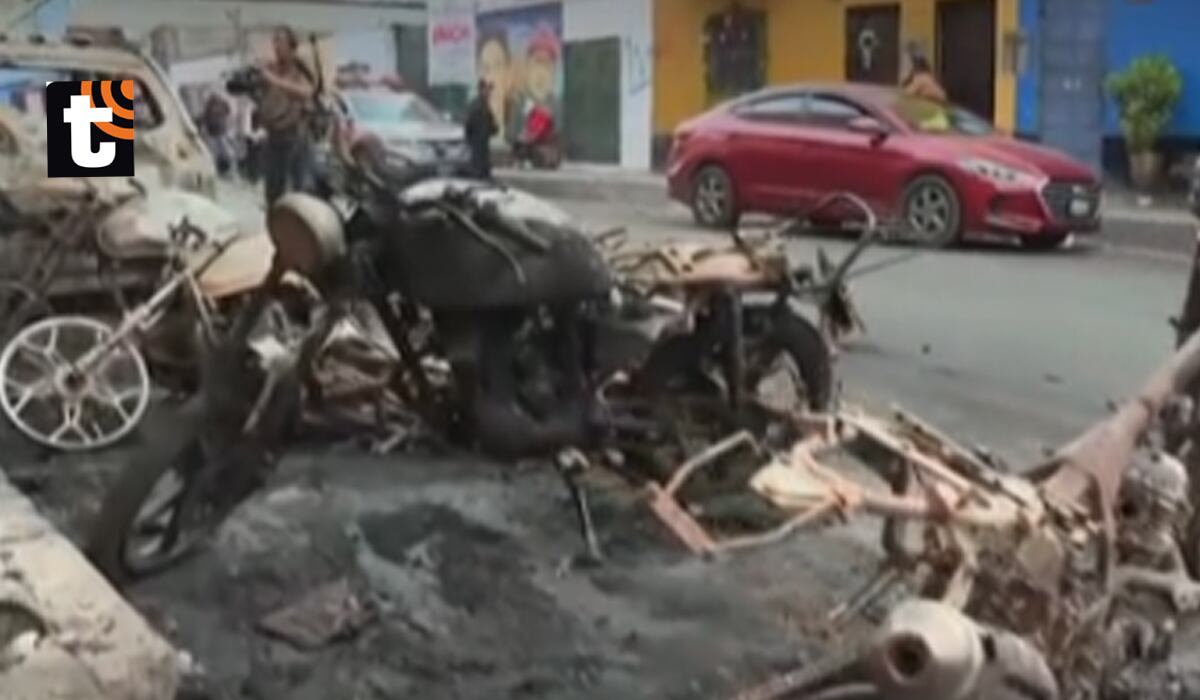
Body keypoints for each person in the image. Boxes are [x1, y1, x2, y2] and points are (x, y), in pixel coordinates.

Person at [256, 25, 317, 206]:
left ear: (292, 46)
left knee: (301, 191)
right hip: (274, 136)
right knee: (273, 193)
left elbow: (306, 92)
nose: (276, 46)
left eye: (280, 41)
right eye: (274, 41)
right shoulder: (271, 69)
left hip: (295, 137)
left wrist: (273, 80)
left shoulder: (300, 70)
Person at [464, 80, 498, 179]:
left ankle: (483, 177)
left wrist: (493, 129)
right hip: (478, 141)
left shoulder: (484, 105)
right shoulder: (478, 106)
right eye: (487, 90)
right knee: (479, 166)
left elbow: (490, 124)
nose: (489, 93)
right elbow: (469, 124)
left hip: (482, 140)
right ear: (481, 90)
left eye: (490, 90)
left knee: (483, 164)